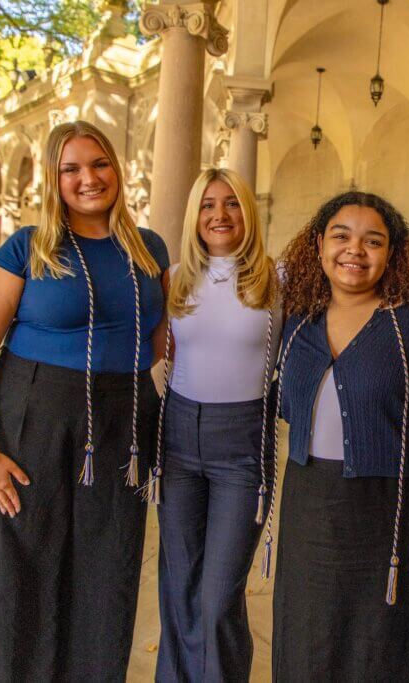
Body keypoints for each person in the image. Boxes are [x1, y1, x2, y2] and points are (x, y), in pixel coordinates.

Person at [0, 120, 170, 681]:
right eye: (70, 168)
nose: (88, 178)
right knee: (20, 580)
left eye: (99, 164)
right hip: (31, 421)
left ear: (117, 171)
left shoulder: (149, 250)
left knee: (106, 578)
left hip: (120, 425)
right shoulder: (27, 247)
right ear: (54, 179)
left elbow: (161, 341)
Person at [266, 191, 409, 682]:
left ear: (392, 254)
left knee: (381, 634)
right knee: (310, 627)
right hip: (310, 499)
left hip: (388, 502)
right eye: (341, 237)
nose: (355, 250)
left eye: (373, 241)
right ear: (319, 245)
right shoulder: (296, 321)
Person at [151, 168, 282, 683]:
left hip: (243, 443)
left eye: (231, 203)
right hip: (179, 435)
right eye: (207, 205)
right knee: (180, 582)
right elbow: (160, 348)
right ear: (194, 216)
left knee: (219, 592)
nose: (219, 215)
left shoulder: (278, 279)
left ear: (247, 211)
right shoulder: (177, 277)